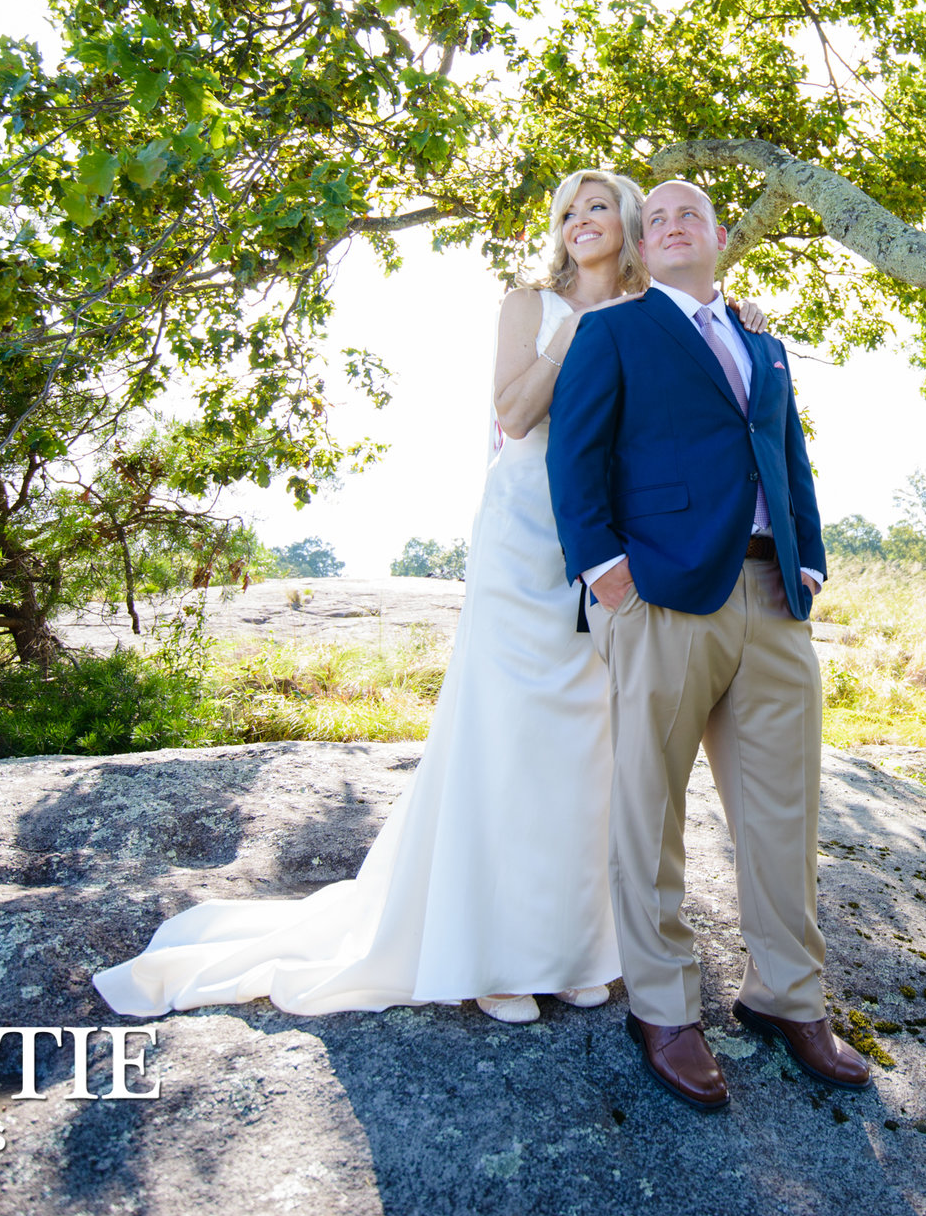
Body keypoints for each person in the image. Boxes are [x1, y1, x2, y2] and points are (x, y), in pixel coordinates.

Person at [92, 169, 768, 1024]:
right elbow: (515, 416)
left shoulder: (651, 315)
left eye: (598, 206)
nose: (580, 220)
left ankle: (569, 946)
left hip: (614, 538)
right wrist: (577, 338)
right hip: (526, 536)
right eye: (567, 211)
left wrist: (744, 317)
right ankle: (490, 952)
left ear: (629, 224)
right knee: (509, 735)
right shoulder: (528, 306)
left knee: (590, 743)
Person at [545, 179, 870, 1112]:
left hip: (774, 596)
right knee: (651, 809)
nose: (675, 223)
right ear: (645, 245)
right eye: (659, 218)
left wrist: (808, 564)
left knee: (785, 808)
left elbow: (790, 457)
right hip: (663, 597)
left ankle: (789, 997)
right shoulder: (613, 330)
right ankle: (664, 1008)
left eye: (693, 212)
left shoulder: (765, 342)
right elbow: (578, 457)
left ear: (720, 235)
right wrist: (605, 572)